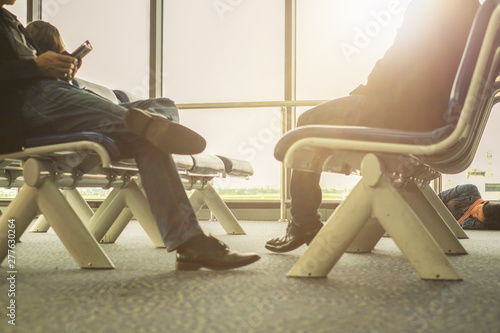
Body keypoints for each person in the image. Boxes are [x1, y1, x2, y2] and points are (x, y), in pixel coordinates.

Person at [0, 0, 260, 270]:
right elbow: (24, 75)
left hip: (53, 95)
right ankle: (147, 126)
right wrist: (36, 68)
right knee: (147, 131)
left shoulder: (10, 20)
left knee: (159, 114)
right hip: (30, 104)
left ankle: (190, 243)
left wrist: (59, 71)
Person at [266, 0, 481, 252]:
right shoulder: (475, 12)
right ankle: (305, 219)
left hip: (406, 111)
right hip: (435, 114)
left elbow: (397, 58)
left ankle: (303, 222)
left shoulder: (433, 6)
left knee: (307, 124)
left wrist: (361, 96)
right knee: (320, 125)